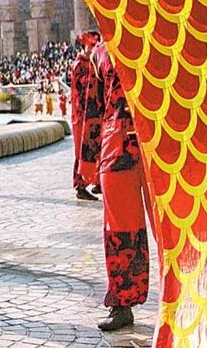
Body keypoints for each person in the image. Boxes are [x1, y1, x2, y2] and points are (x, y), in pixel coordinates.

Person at [92, 40, 150, 332]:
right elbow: (94, 107)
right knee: (119, 230)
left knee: (175, 229)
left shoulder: (156, 32)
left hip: (161, 146)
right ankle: (122, 302)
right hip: (116, 150)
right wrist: (88, 164)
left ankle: (189, 295)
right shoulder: (99, 53)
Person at [69, 32, 103, 201]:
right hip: (81, 117)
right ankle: (80, 185)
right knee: (82, 151)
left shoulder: (91, 63)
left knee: (99, 147)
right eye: (91, 47)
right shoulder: (79, 65)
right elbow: (85, 86)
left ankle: (99, 182)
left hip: (94, 115)